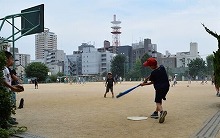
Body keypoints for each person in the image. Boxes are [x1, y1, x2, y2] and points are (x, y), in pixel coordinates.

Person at [140, 57, 170, 123]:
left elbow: (152, 82)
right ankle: (156, 113)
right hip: (166, 87)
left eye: (149, 66)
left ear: (152, 65)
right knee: (159, 99)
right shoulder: (162, 67)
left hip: (159, 88)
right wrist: (146, 79)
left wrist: (144, 84)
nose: (149, 67)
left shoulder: (154, 73)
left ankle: (162, 112)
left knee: (157, 102)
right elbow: (152, 74)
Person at [2, 51, 24, 125]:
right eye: (11, 59)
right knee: (5, 106)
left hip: (7, 91)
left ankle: (8, 118)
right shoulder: (2, 69)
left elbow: (7, 81)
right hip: (4, 92)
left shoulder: (7, 69)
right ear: (6, 59)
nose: (13, 61)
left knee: (8, 106)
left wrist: (14, 86)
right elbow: (2, 81)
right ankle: (5, 121)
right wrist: (12, 88)